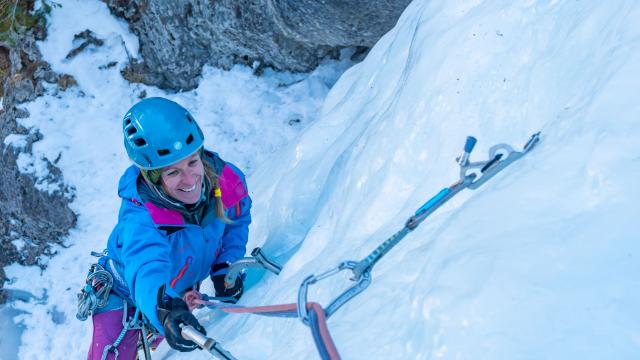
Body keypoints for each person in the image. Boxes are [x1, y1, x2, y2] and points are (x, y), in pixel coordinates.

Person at [86, 97, 252, 359]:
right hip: (126, 296)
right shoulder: (142, 219)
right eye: (172, 173)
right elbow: (146, 266)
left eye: (192, 162)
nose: (190, 180)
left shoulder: (226, 180)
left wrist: (225, 265)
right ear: (153, 178)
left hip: (175, 293)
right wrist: (166, 308)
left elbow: (237, 222)